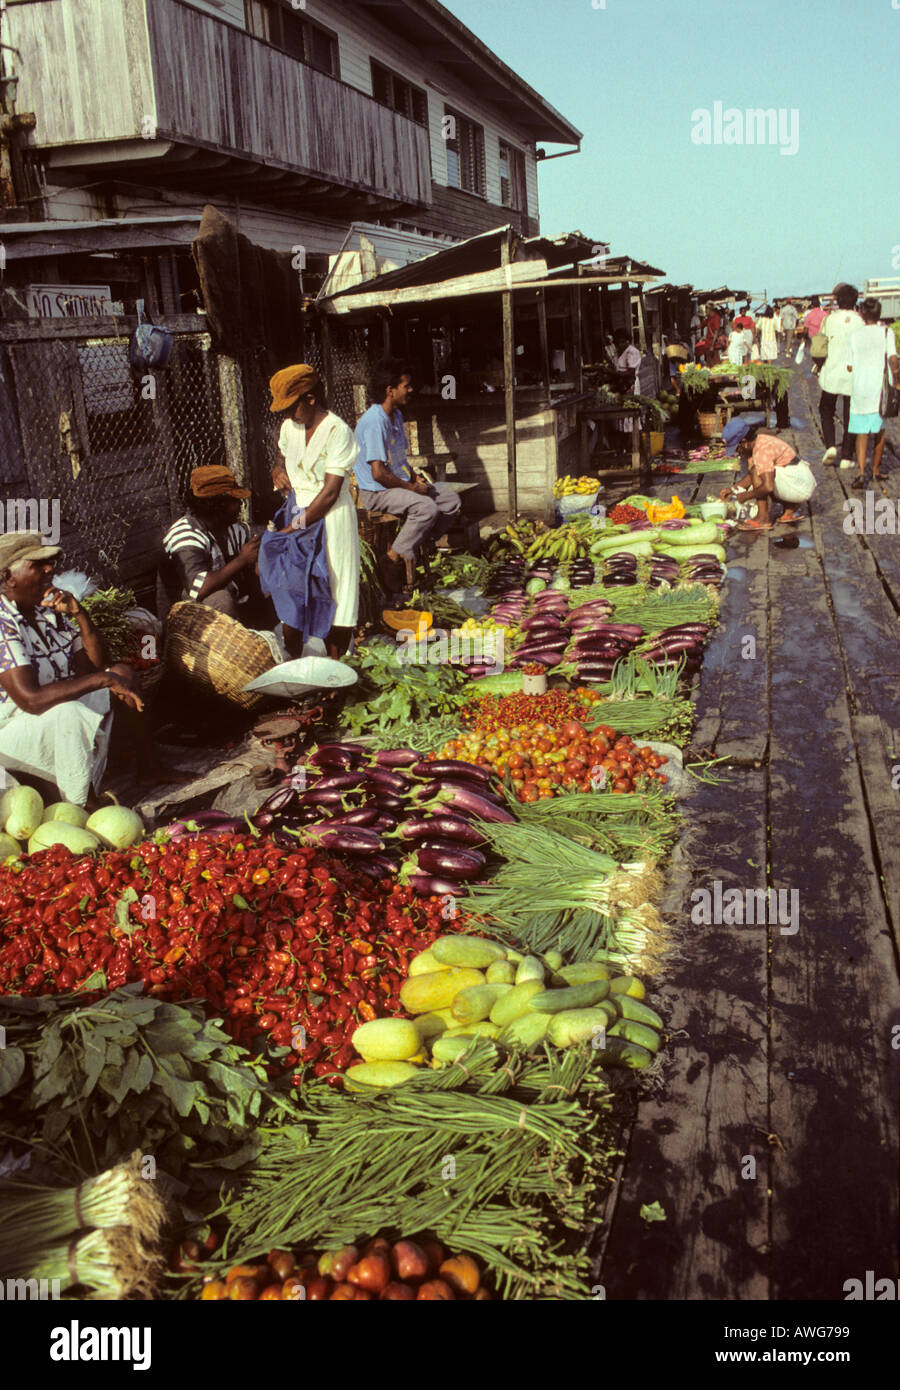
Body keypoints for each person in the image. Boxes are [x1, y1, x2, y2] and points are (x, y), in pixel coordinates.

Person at [0, 532, 144, 807]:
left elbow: (94, 664)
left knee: (122, 673)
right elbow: (30, 700)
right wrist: (101, 679)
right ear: (9, 578)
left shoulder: (48, 610)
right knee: (69, 712)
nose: (50, 569)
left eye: (51, 562)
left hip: (48, 716)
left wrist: (80, 614)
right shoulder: (3, 624)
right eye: (38, 564)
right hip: (10, 732)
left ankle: (149, 769)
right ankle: (79, 804)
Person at [268, 364, 360, 657]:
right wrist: (277, 470)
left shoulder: (337, 431)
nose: (286, 415)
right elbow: (281, 456)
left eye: (290, 407)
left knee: (336, 589)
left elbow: (331, 492)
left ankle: (336, 670)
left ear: (309, 399)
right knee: (294, 587)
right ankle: (297, 662)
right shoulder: (289, 427)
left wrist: (294, 526)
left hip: (331, 517)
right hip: (298, 508)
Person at [354, 358, 462, 596]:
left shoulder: (397, 416)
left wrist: (416, 479)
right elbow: (378, 473)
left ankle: (420, 544)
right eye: (407, 386)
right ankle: (392, 558)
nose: (412, 390)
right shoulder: (374, 422)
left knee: (450, 501)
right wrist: (413, 489)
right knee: (426, 508)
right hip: (377, 492)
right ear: (389, 390)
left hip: (398, 486)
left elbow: (400, 462)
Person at [160, 465, 262, 621]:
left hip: (230, 602)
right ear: (217, 505)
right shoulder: (185, 534)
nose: (240, 505)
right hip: (186, 615)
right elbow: (198, 588)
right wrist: (242, 560)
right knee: (222, 600)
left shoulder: (232, 528)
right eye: (234, 501)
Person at [845, 298, 900, 489]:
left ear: (861, 314)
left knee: (861, 433)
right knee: (880, 431)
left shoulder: (854, 335)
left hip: (860, 388)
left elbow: (850, 366)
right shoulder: (886, 332)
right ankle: (876, 470)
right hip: (880, 389)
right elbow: (893, 359)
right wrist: (897, 380)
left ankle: (861, 472)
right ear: (879, 313)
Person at [719, 427, 817, 532]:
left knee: (759, 475)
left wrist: (744, 496)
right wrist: (733, 490)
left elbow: (768, 486)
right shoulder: (758, 442)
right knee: (759, 473)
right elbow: (750, 477)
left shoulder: (762, 450)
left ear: (744, 442)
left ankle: (763, 518)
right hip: (801, 482)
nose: (738, 452)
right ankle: (790, 508)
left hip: (799, 486)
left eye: (737, 448)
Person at [819, 284, 863, 467]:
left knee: (826, 409)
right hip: (853, 374)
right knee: (850, 415)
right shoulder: (860, 322)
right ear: (855, 301)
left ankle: (830, 445)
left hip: (831, 371)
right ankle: (847, 457)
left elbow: (819, 345)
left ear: (837, 300)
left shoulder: (829, 320)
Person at [802, 296, 828, 375]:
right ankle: (820, 367)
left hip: (812, 337)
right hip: (822, 337)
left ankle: (817, 365)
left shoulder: (809, 315)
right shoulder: (825, 314)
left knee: (814, 353)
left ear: (812, 305)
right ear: (820, 304)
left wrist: (804, 338)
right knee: (823, 352)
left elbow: (806, 328)